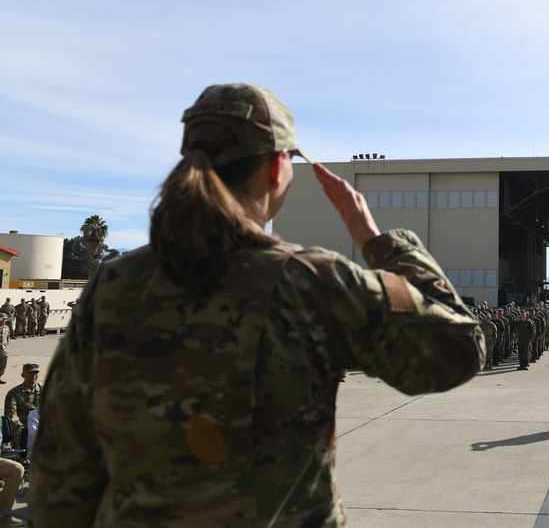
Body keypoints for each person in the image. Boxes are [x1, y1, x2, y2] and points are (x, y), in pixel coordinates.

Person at [29, 83, 485, 527]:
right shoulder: (309, 282)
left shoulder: (112, 284)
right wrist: (378, 242)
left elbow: (63, 461)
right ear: (277, 170)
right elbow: (457, 350)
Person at [4, 363, 41, 447]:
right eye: (30, 373)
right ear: (22, 375)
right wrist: (19, 426)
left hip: (40, 426)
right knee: (20, 436)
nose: (33, 375)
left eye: (36, 373)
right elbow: (11, 414)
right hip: (23, 427)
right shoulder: (14, 393)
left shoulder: (45, 391)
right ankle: (20, 458)